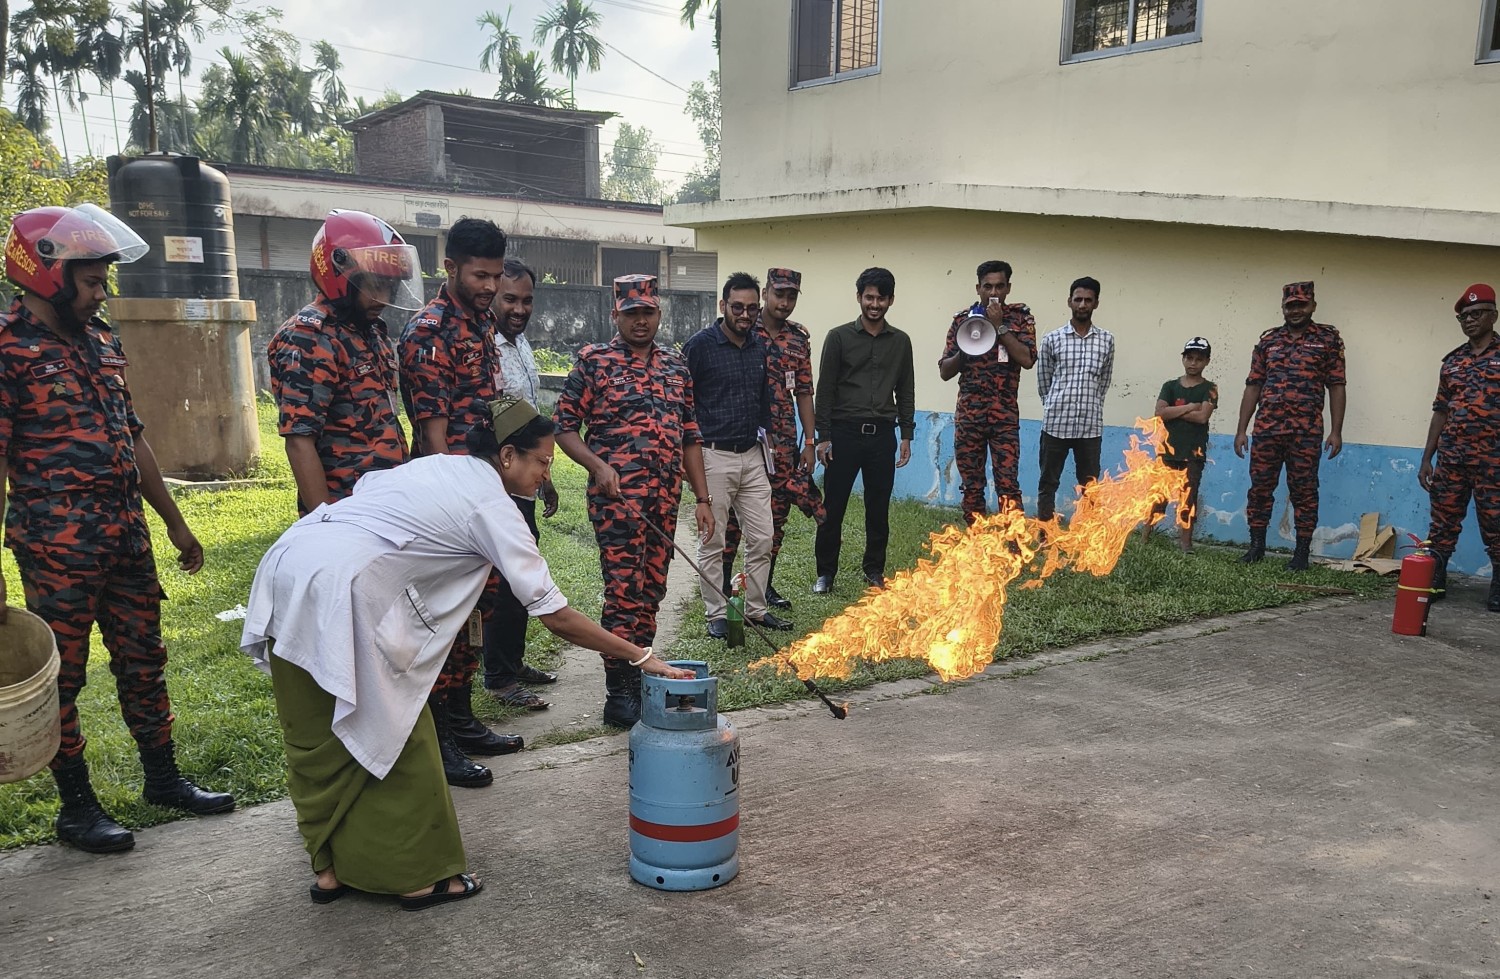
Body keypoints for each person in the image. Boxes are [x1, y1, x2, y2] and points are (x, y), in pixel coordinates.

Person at [241, 398, 694, 911]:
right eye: (543, 462)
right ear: (508, 455)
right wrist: (640, 656)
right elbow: (555, 614)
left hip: (288, 566)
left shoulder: (437, 466)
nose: (547, 474)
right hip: (342, 592)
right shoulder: (493, 506)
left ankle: (328, 870)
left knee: (316, 733)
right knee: (397, 736)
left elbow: (372, 493)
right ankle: (419, 878)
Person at [0, 204, 233, 854]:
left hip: (126, 538)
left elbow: (134, 438)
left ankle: (164, 779)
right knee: (63, 677)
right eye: (91, 280)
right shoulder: (8, 349)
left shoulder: (101, 341)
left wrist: (175, 523)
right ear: (46, 274)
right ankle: (77, 809)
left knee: (144, 660)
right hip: (58, 547)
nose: (102, 292)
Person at [554, 275, 713, 727]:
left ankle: (640, 671)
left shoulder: (676, 366)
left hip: (664, 500)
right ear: (616, 315)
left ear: (658, 313)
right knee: (624, 592)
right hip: (618, 502)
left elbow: (689, 435)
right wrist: (597, 466)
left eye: (647, 312)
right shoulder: (594, 362)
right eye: (631, 313)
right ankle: (619, 691)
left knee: (652, 591)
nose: (640, 321)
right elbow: (563, 427)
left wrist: (702, 497)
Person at [398, 218, 523, 789]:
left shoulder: (481, 323)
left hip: (484, 488)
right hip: (449, 504)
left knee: (477, 608)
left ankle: (463, 717)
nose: (490, 287)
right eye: (480, 275)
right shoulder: (430, 333)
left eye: (496, 276)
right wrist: (461, 511)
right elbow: (434, 437)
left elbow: (495, 408)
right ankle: (440, 737)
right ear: (449, 267)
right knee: (443, 619)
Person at [267, 209, 419, 517]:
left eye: (390, 286)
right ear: (339, 274)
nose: (382, 297)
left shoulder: (371, 330)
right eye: (374, 284)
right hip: (347, 509)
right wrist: (327, 522)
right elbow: (300, 441)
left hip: (386, 504)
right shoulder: (309, 338)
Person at [683, 272, 791, 639]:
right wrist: (687, 456)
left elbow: (763, 402)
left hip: (752, 455)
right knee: (713, 540)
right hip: (713, 456)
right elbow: (683, 403)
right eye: (737, 307)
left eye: (751, 308)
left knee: (763, 537)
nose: (745, 315)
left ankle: (756, 611)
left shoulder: (759, 346)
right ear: (723, 306)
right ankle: (716, 614)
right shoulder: (700, 346)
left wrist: (769, 444)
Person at [721, 267, 826, 609]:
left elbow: (804, 392)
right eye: (779, 294)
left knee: (775, 517)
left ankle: (763, 586)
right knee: (733, 519)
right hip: (743, 438)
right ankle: (723, 584)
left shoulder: (798, 339)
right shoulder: (743, 328)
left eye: (791, 296)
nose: (784, 302)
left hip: (781, 443)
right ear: (766, 293)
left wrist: (809, 443)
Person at [483, 258, 562, 705]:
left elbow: (529, 424)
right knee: (502, 583)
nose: (519, 309)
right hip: (497, 483)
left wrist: (543, 477)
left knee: (518, 581)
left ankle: (511, 663)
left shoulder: (520, 343)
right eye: (510, 299)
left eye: (526, 300)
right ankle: (499, 677)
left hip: (523, 480)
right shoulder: (485, 346)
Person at [812, 267, 915, 593]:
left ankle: (874, 570)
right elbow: (824, 390)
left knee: (878, 508)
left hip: (882, 436)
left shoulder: (901, 342)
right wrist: (823, 437)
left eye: (881, 298)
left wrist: (906, 435)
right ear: (859, 297)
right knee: (833, 507)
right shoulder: (838, 337)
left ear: (891, 300)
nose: (874, 304)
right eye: (869, 297)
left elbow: (906, 390)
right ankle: (825, 573)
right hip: (843, 434)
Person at [1232, 280, 1346, 571]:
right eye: (1290, 306)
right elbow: (1253, 386)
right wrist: (1242, 429)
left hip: (1305, 432)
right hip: (1267, 429)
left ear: (1313, 306)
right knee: (1260, 489)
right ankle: (1256, 546)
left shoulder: (1327, 340)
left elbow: (1336, 385)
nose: (1295, 310)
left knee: (1304, 492)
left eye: (1301, 305)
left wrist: (1336, 431)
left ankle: (1301, 553)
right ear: (1283, 308)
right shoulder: (1268, 341)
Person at [937, 260, 1038, 524]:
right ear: (978, 288)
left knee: (1008, 486)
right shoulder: (963, 321)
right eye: (987, 286)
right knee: (971, 486)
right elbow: (945, 371)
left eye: (999, 286)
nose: (993, 292)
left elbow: (1027, 359)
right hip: (969, 417)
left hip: (1004, 419)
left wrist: (1000, 326)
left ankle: (1014, 544)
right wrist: (965, 347)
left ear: (1008, 288)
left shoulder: (1021, 318)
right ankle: (976, 542)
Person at [1418, 284, 1499, 611]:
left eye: (1477, 314)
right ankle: (1436, 578)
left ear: (1493, 316)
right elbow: (1440, 411)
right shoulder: (1452, 363)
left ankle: (1498, 585)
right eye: (1464, 317)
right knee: (1442, 522)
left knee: (1496, 523)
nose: (1470, 320)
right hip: (1452, 459)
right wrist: (1427, 457)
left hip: (1494, 460)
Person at [1036, 276, 1114, 522]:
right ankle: (1045, 531)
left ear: (1096, 303)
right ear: (1069, 301)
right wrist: (1054, 405)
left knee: (1089, 486)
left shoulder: (1107, 340)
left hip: (1089, 427)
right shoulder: (1052, 339)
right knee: (1048, 482)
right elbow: (1044, 381)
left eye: (1088, 300)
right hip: (1056, 425)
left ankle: (1087, 535)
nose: (1082, 305)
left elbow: (1103, 381)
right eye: (1078, 299)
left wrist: (1091, 405)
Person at [1140, 337, 1218, 552]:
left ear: (1207, 361)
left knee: (1188, 499)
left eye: (1199, 359)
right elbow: (1160, 413)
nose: (1193, 363)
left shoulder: (1210, 388)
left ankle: (1185, 544)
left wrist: (1173, 411)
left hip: (1193, 454)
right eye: (1189, 358)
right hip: (1167, 451)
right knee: (1158, 497)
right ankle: (1145, 537)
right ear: (1183, 359)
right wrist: (1190, 407)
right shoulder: (1170, 386)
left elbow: (1202, 417)